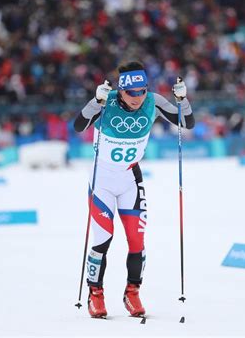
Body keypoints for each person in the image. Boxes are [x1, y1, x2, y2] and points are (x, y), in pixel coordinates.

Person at [73, 61, 195, 318]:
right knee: (103, 240)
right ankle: (95, 293)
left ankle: (132, 292)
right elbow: (78, 126)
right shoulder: (107, 102)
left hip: (130, 179)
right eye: (132, 93)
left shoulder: (154, 102)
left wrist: (183, 99)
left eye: (142, 91)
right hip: (102, 182)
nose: (138, 98)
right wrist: (96, 101)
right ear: (121, 91)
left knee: (137, 242)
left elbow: (187, 122)